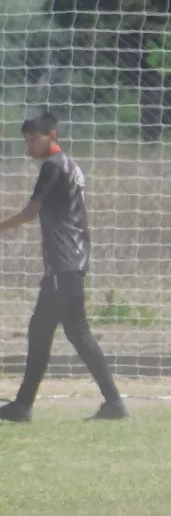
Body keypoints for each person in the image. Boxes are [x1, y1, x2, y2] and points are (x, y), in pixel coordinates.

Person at [0, 112, 126, 422]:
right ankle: (113, 403)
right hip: (74, 262)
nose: (29, 144)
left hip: (63, 264)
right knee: (76, 333)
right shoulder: (70, 165)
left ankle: (22, 406)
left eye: (34, 138)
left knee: (43, 330)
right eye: (26, 138)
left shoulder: (53, 167)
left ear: (52, 135)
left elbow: (32, 210)